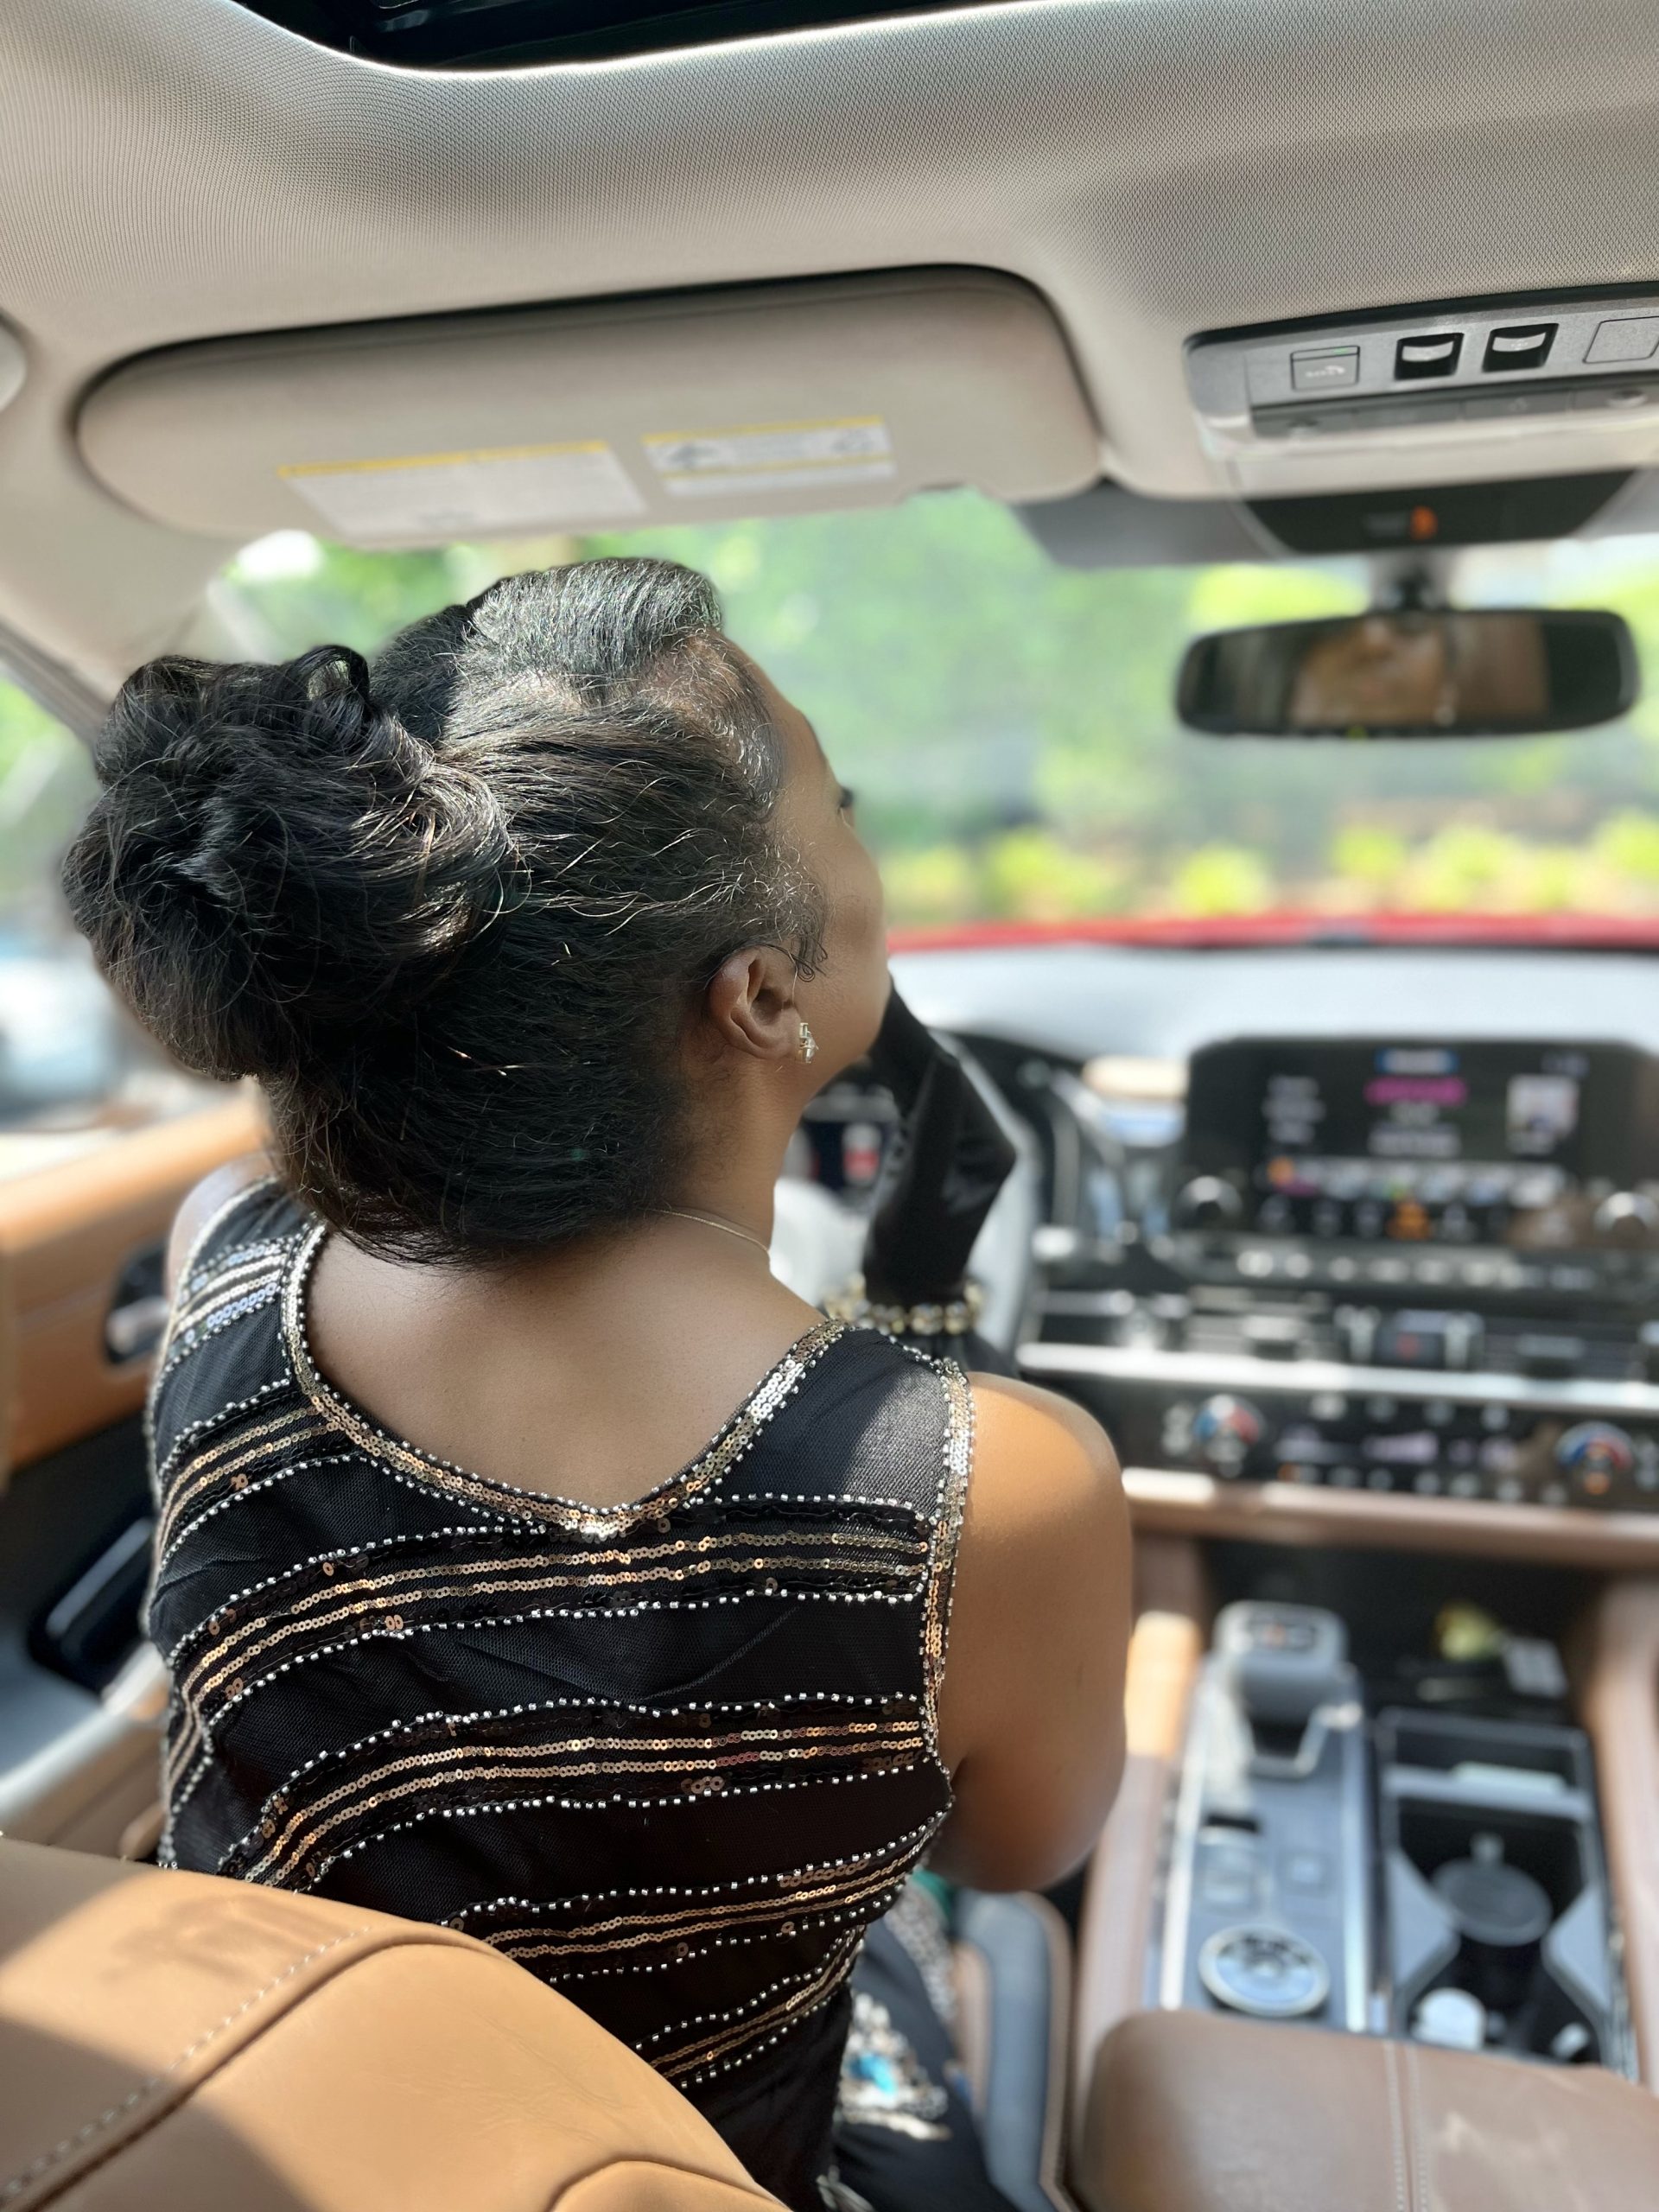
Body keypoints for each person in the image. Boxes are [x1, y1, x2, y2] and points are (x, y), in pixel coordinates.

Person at [64, 558, 1129, 2212]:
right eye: (844, 811)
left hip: (271, 2136)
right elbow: (1016, 1853)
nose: (870, 848)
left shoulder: (228, 1249)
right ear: (762, 992)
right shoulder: (992, 1489)